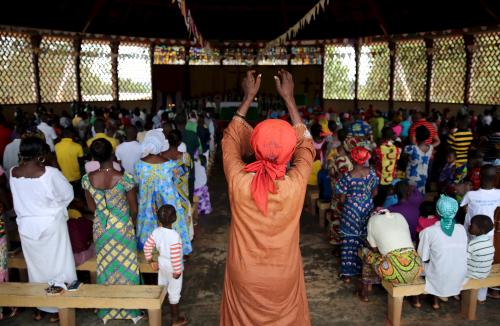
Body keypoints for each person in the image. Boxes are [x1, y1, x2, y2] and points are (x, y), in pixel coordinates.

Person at [220, 70, 314, 325]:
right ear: (289, 150)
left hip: (245, 273)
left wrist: (248, 97)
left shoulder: (240, 181)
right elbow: (307, 145)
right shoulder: (294, 185)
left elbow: (229, 139)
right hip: (283, 274)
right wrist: (290, 99)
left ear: (255, 145)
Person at [10, 137, 76, 322]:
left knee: (36, 269)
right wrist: (54, 206)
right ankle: (58, 309)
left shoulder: (13, 172)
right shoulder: (49, 173)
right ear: (41, 154)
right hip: (51, 224)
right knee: (59, 267)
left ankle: (40, 307)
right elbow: (67, 194)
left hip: (27, 227)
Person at [82, 139, 142, 323]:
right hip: (122, 227)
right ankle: (131, 311)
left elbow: (92, 207)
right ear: (112, 154)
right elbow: (133, 209)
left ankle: (107, 309)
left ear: (94, 157)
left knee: (106, 268)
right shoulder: (125, 178)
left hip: (101, 228)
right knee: (128, 267)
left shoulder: (87, 179)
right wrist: (127, 224)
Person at [134, 129, 192, 255]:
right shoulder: (170, 165)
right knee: (171, 226)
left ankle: (150, 249)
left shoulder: (138, 165)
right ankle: (172, 250)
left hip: (147, 205)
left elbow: (137, 182)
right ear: (161, 144)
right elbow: (177, 180)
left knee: (148, 225)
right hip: (168, 203)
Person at [336, 146, 379, 282]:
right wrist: (365, 199)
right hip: (367, 208)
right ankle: (364, 271)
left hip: (351, 211)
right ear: (366, 159)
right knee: (365, 239)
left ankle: (348, 275)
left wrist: (351, 202)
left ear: (352, 159)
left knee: (349, 240)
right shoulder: (372, 173)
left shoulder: (347, 177)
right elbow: (375, 193)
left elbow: (342, 198)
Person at [360, 209, 423, 301]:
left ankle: (364, 292)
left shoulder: (373, 220)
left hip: (394, 273)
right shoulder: (400, 216)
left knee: (367, 254)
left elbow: (374, 249)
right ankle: (416, 301)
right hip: (417, 268)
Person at [417, 195, 467, 309]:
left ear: (437, 213)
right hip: (460, 276)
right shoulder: (461, 229)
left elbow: (423, 257)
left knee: (420, 264)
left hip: (440, 276)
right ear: (455, 211)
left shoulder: (428, 232)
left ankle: (421, 299)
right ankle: (439, 298)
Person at [144, 205, 188, 326]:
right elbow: (175, 257)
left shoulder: (156, 232)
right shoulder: (174, 236)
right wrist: (177, 271)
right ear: (174, 218)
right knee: (174, 292)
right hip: (173, 267)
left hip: (161, 263)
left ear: (159, 219)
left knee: (162, 287)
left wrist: (150, 261)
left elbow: (147, 247)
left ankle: (159, 313)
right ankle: (175, 320)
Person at [162, 130, 195, 241]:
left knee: (169, 222)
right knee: (184, 222)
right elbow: (190, 177)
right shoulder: (186, 157)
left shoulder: (162, 158)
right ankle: (184, 245)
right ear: (180, 142)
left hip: (168, 197)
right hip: (184, 197)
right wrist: (190, 197)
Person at [461, 165, 500, 239]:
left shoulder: (470, 195)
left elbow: (463, 207)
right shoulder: (499, 194)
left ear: (480, 177)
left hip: (473, 233)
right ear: (495, 178)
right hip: (492, 233)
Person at [467, 215, 495, 303]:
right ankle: (480, 298)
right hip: (485, 272)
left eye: (471, 225)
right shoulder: (489, 241)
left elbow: (464, 260)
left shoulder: (473, 243)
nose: (469, 226)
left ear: (479, 230)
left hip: (472, 274)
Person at [404, 126, 436, 194]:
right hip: (423, 177)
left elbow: (404, 158)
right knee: (419, 197)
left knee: (409, 197)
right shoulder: (431, 148)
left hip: (411, 178)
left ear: (416, 136)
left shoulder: (410, 148)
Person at [374, 127, 401, 206]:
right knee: (387, 198)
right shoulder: (397, 149)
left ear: (382, 136)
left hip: (380, 177)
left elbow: (374, 161)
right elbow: (396, 162)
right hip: (391, 177)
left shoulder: (378, 150)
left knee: (379, 200)